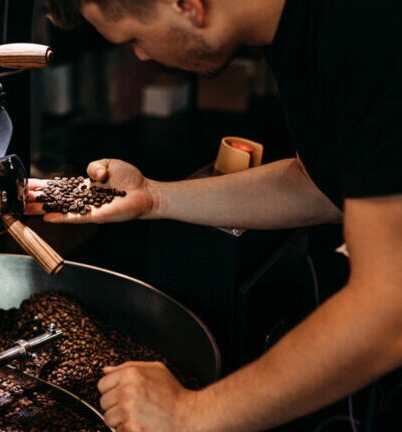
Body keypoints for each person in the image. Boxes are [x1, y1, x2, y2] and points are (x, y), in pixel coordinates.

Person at [26, 0, 402, 430]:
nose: (141, 55)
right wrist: (153, 198)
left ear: (186, 5)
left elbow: (389, 308)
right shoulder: (298, 31)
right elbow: (318, 183)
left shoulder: (366, 27)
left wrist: (191, 414)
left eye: (133, 38)